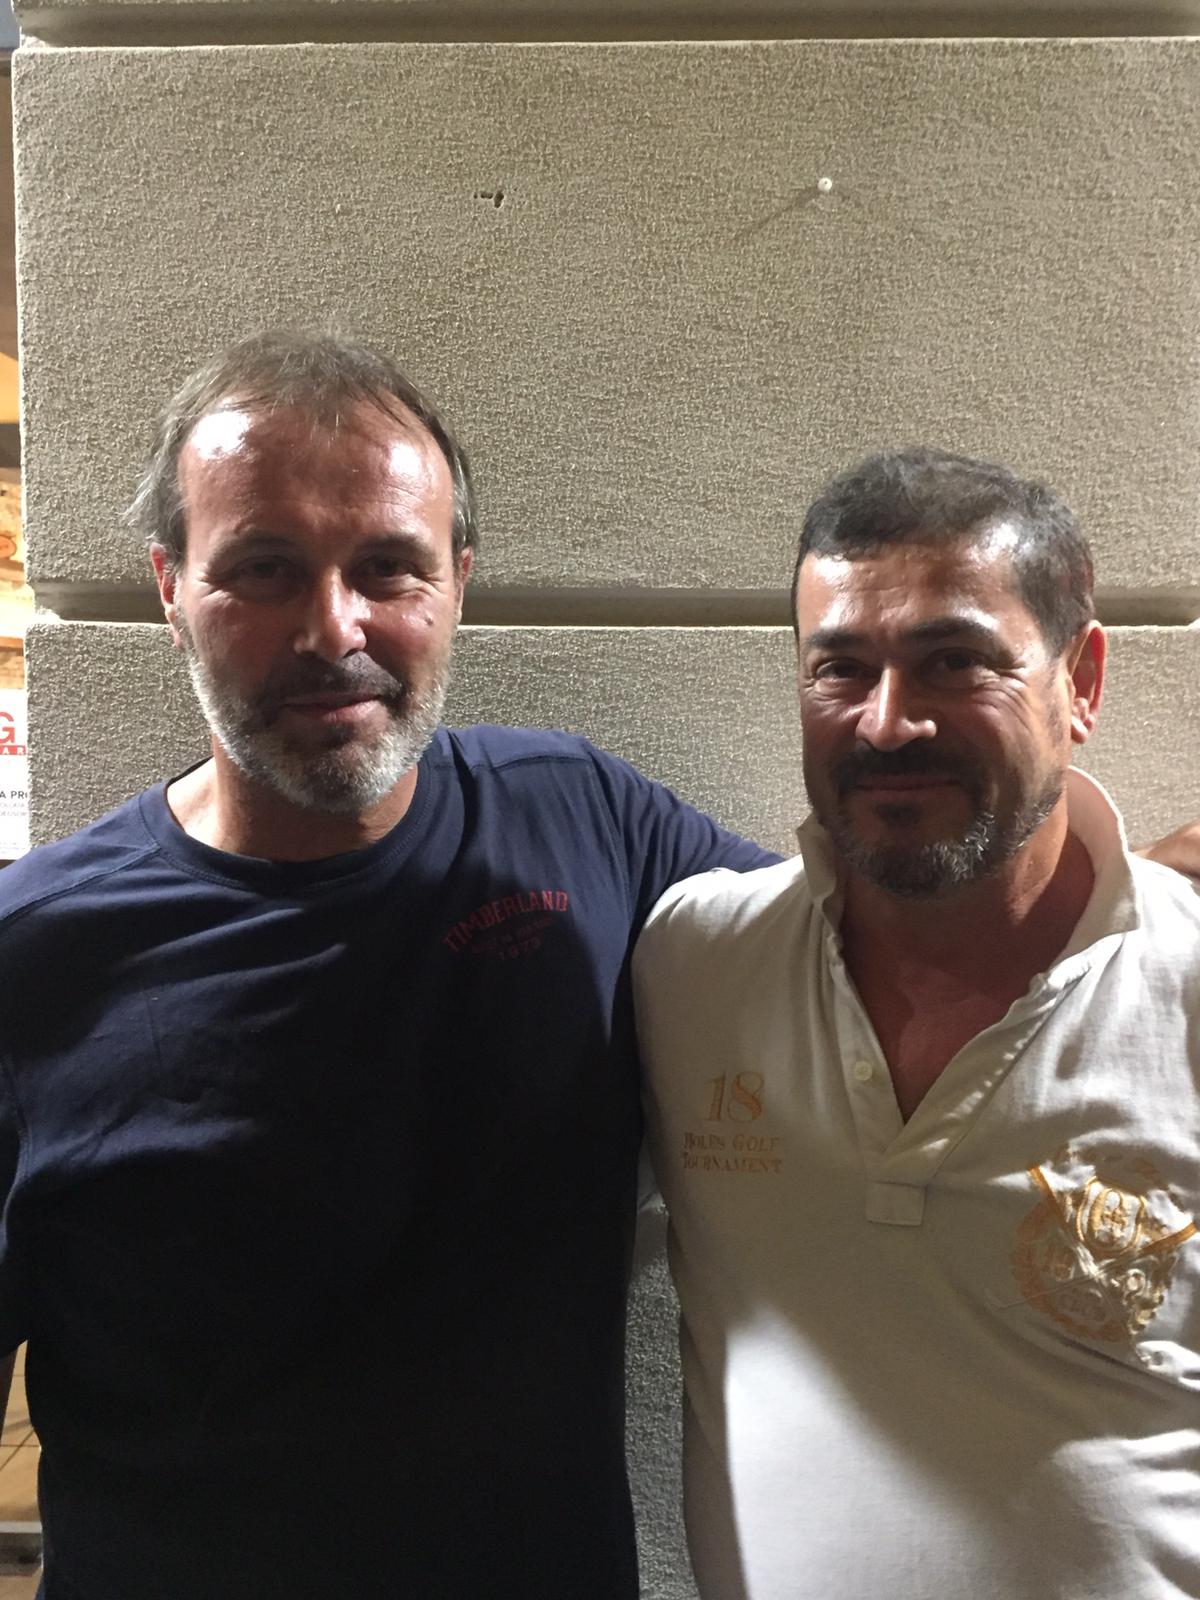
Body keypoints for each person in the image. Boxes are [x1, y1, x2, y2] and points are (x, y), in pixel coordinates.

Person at [0, 330, 776, 1600]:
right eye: (264, 568)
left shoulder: (586, 822)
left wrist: (1106, 880)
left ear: (456, 581)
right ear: (170, 587)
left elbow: (870, 956)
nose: (333, 627)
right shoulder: (31, 955)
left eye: (387, 567)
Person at [635, 447, 1200, 1600]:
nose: (889, 723)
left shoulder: (1183, 986)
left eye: (955, 661)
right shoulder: (694, 961)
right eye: (840, 668)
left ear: (1083, 681)